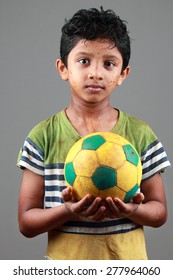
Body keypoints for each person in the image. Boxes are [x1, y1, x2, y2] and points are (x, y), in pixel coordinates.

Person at [17, 7, 171, 260]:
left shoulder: (141, 134)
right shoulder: (42, 136)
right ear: (63, 68)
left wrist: (132, 211)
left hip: (127, 267)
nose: (95, 73)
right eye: (84, 60)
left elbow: (159, 213)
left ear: (123, 74)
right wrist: (68, 211)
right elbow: (26, 222)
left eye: (109, 64)